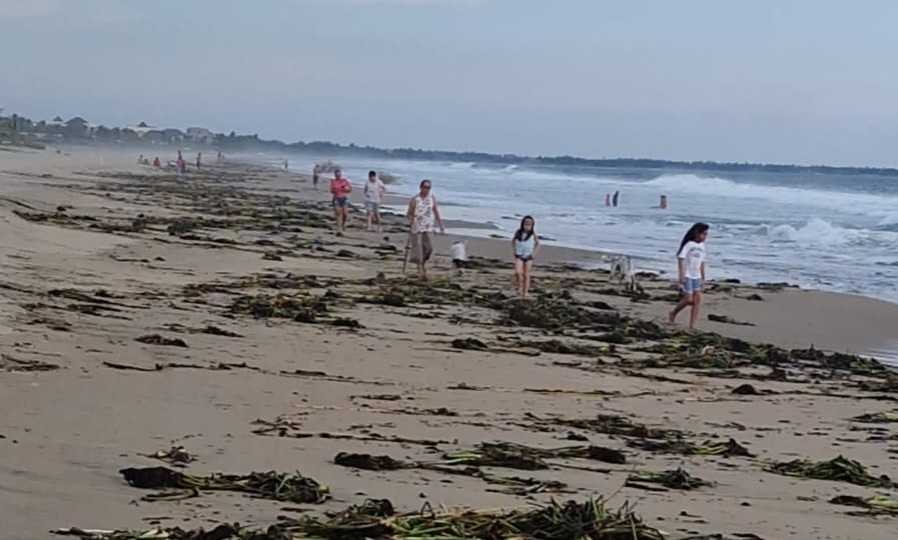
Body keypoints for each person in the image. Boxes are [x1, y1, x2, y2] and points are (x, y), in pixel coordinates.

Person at [668, 223, 710, 329]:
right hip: (688, 275)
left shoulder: (702, 246)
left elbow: (702, 262)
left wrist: (703, 278)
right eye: (703, 234)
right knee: (688, 299)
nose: (705, 237)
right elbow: (681, 259)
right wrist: (681, 275)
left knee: (697, 301)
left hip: (697, 276)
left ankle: (692, 325)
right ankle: (673, 313)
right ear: (697, 233)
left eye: (706, 235)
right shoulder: (689, 245)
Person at [406, 179, 445, 280]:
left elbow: (435, 211)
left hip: (428, 226)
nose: (426, 189)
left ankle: (423, 262)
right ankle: (419, 267)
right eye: (425, 187)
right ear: (421, 187)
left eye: (428, 188)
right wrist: (411, 221)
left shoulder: (432, 198)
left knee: (428, 247)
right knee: (418, 248)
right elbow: (409, 213)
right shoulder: (415, 199)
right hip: (417, 227)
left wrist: (441, 225)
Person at [512, 215, 540, 299]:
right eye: (526, 223)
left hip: (528, 256)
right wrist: (514, 251)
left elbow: (538, 243)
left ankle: (525, 291)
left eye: (529, 223)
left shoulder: (533, 234)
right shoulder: (518, 232)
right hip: (519, 255)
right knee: (518, 272)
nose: (527, 225)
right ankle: (520, 287)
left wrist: (534, 254)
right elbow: (513, 241)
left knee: (526, 274)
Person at [329, 168, 352, 235]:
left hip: (343, 198)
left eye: (339, 174)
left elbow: (350, 189)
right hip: (336, 198)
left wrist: (346, 189)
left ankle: (343, 224)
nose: (338, 175)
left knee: (345, 213)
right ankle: (339, 228)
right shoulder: (333, 181)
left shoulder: (344, 181)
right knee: (338, 213)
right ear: (335, 175)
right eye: (337, 174)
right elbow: (331, 190)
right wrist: (336, 190)